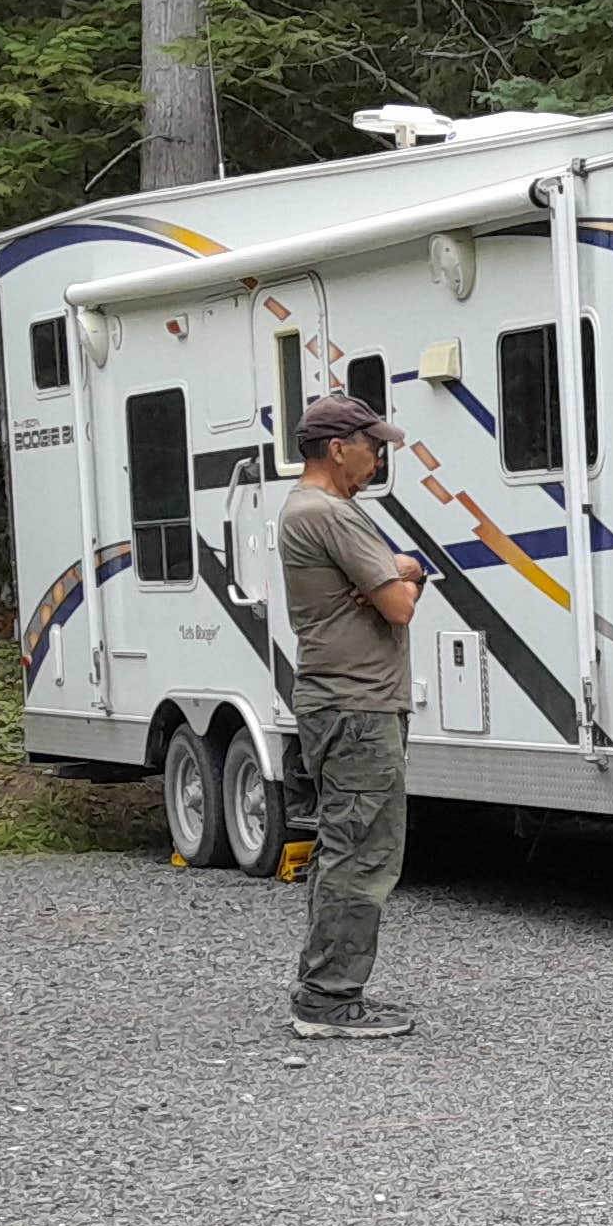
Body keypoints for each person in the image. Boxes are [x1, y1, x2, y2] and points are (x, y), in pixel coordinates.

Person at [276, 394, 428, 1041]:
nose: (379, 459)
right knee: (362, 852)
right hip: (356, 707)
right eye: (373, 447)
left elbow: (375, 585)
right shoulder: (330, 514)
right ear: (339, 449)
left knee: (345, 847)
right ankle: (329, 999)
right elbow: (397, 605)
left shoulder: (308, 511)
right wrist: (408, 574)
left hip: (340, 703)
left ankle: (325, 986)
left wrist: (389, 574)